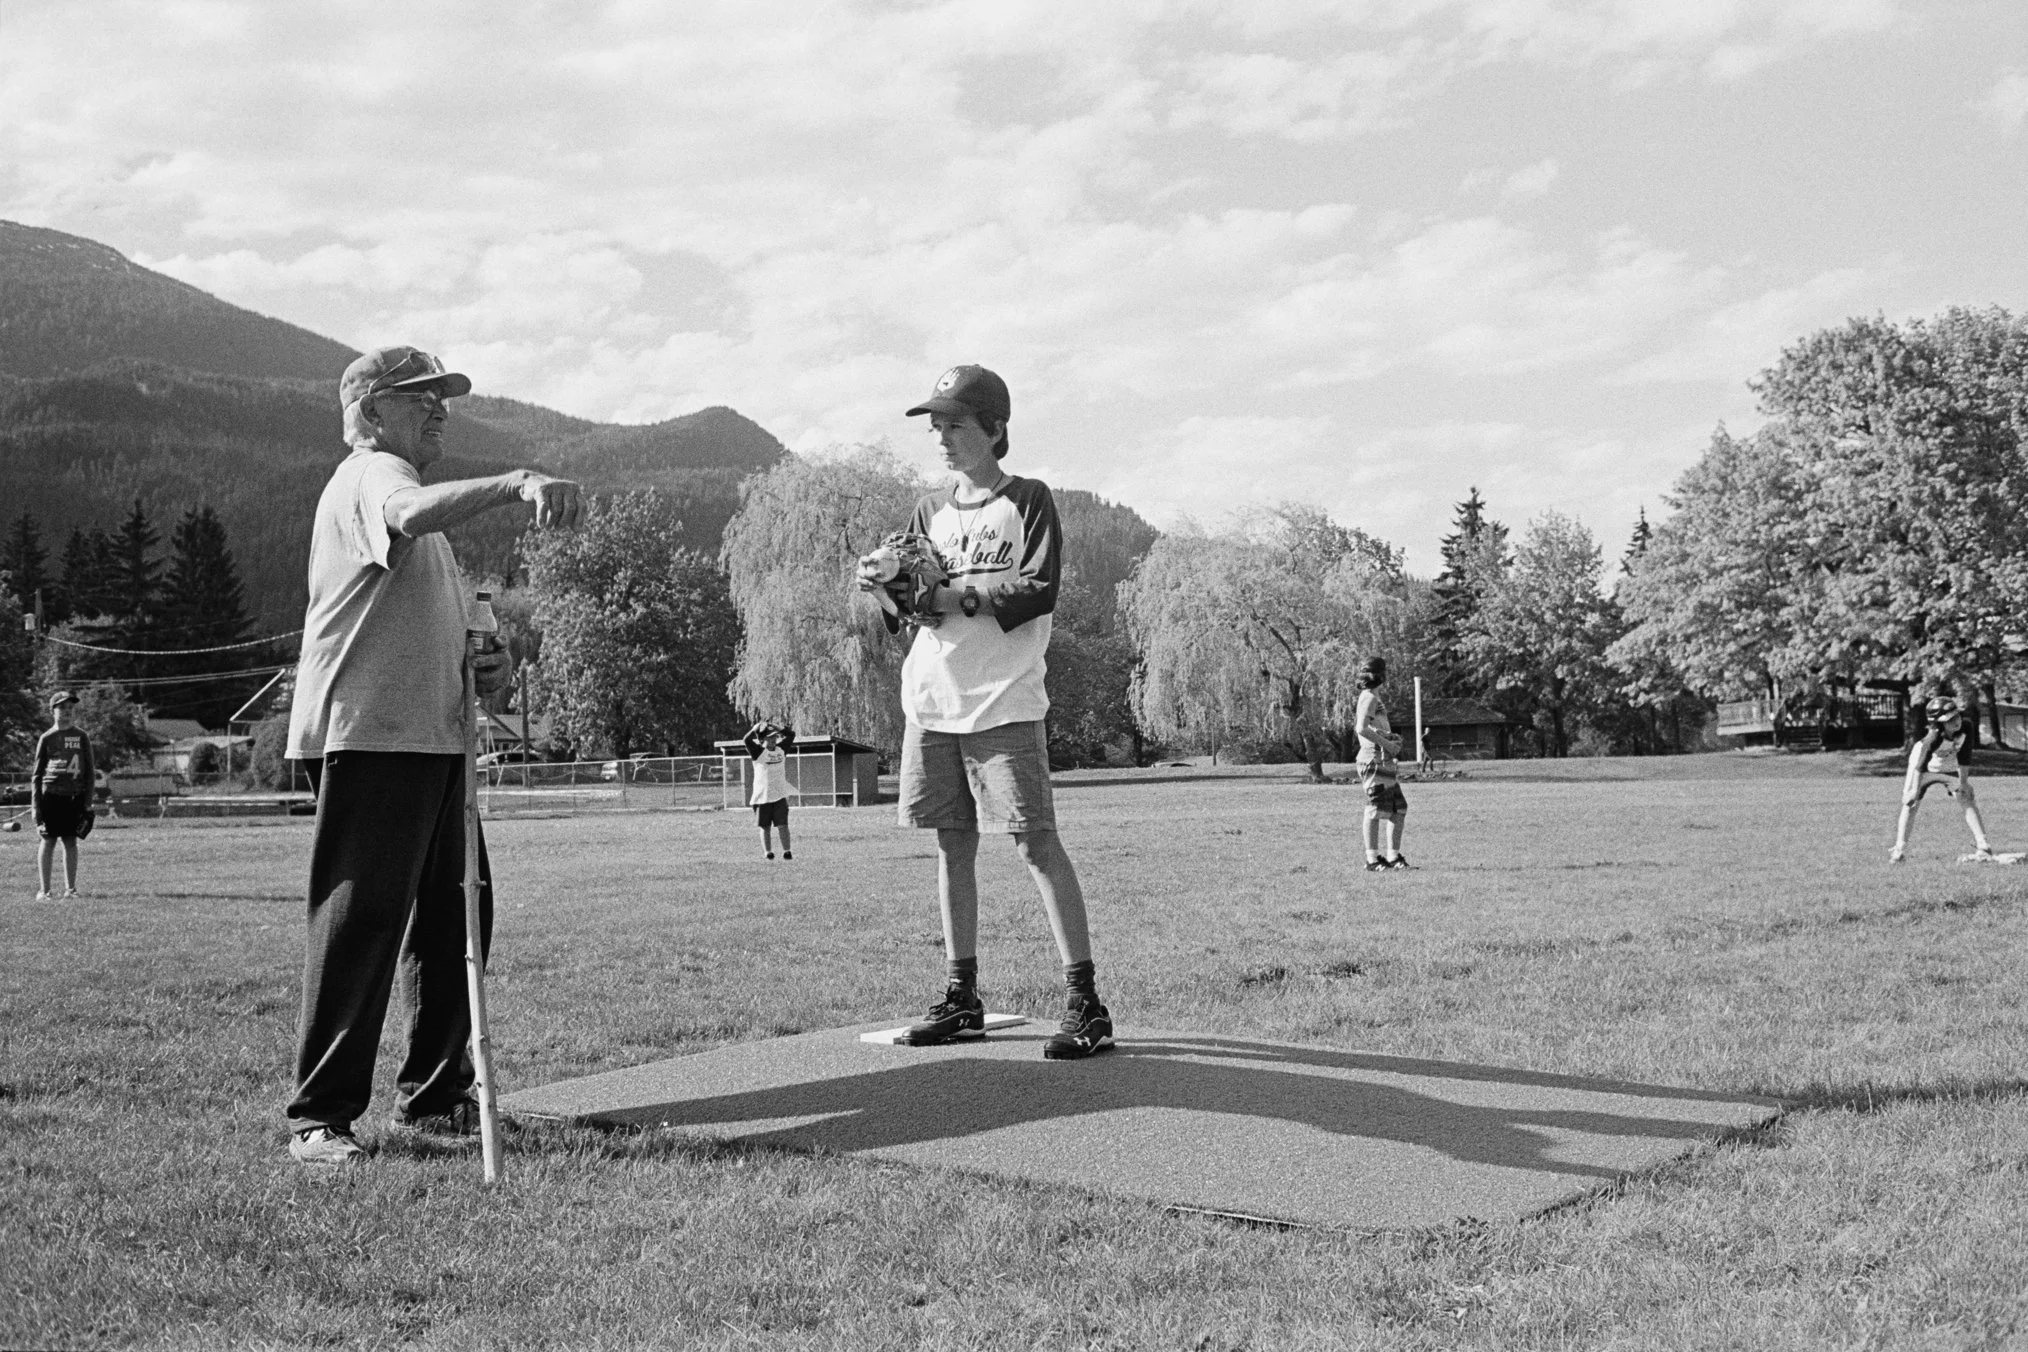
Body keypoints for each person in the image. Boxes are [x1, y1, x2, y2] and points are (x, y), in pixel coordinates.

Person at [282, 345, 582, 1168]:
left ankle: (438, 1096)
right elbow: (411, 516)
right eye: (421, 399)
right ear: (371, 415)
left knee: (457, 917)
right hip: (371, 735)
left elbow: (460, 654)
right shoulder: (374, 477)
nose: (440, 410)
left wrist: (489, 668)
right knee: (363, 921)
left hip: (433, 742)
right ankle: (320, 1117)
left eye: (443, 397)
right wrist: (518, 482)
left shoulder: (424, 518)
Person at [856, 364, 1114, 1060]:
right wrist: (885, 586)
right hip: (933, 700)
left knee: (1034, 841)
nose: (942, 436)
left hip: (1003, 700)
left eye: (956, 423)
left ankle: (1086, 1002)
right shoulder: (925, 512)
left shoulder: (1026, 499)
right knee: (951, 843)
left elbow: (1038, 591)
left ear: (995, 429)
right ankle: (961, 995)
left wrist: (948, 599)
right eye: (936, 425)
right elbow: (908, 615)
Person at [1890, 693, 1994, 863]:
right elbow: (1919, 766)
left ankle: (1983, 845)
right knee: (1911, 804)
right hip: (1923, 767)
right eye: (1950, 718)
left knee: (1965, 796)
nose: (1956, 721)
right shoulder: (1932, 739)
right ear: (1938, 723)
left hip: (1948, 764)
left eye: (1957, 715)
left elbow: (1965, 755)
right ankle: (1899, 849)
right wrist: (1913, 791)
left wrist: (1964, 783)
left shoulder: (1966, 727)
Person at [31, 691, 94, 900]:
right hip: (51, 796)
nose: (67, 712)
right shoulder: (47, 738)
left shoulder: (81, 736)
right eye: (62, 708)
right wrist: (35, 807)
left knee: (70, 841)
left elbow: (90, 772)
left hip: (74, 796)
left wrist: (87, 802)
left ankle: (71, 889)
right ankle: (45, 890)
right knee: (48, 840)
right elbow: (37, 775)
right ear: (53, 711)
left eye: (70, 708)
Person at [1353, 657, 1410, 871]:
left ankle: (1393, 857)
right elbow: (1361, 728)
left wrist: (1389, 736)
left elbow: (1370, 727)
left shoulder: (1372, 697)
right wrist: (1388, 744)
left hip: (1383, 760)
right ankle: (1372, 860)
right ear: (1380, 675)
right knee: (1375, 809)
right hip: (1373, 760)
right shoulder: (1368, 697)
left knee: (1398, 808)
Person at [743, 720, 796, 859]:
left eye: (774, 737)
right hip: (762, 797)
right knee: (765, 826)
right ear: (762, 740)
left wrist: (777, 727)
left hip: (779, 796)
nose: (773, 740)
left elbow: (791, 735)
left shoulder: (781, 750)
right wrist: (754, 729)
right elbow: (746, 740)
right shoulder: (758, 752)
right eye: (769, 738)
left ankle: (787, 851)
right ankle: (768, 852)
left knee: (783, 825)